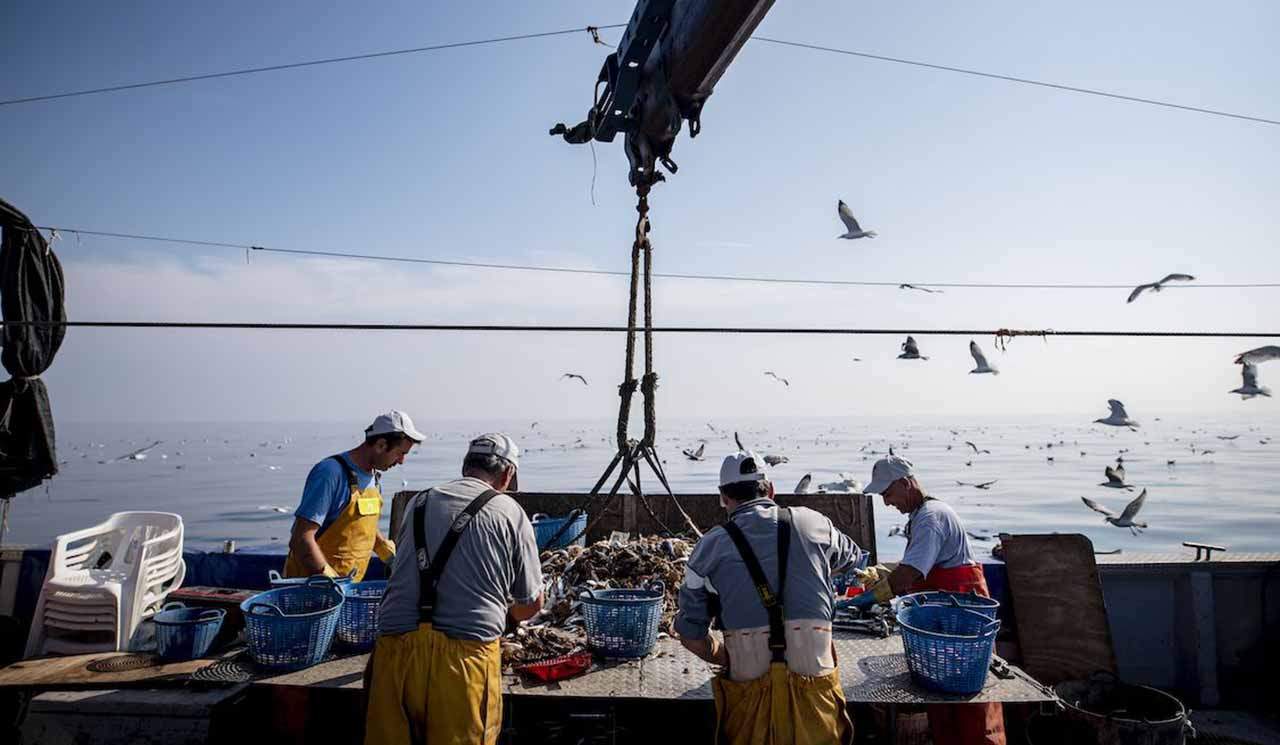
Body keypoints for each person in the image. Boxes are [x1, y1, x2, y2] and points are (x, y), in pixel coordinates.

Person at [674, 450, 865, 745]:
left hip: (750, 702)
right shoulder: (816, 523)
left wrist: (725, 656)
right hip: (817, 697)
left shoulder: (707, 550)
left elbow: (690, 636)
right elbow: (854, 560)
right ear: (771, 489)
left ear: (723, 497)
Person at [365, 433, 543, 745]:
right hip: (463, 663)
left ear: (465, 467)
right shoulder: (510, 511)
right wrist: (509, 618)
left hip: (393, 654)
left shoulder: (416, 503)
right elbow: (532, 603)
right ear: (507, 474)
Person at [859, 454, 1006, 745]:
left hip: (963, 614)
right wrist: (881, 571)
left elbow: (909, 575)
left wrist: (865, 599)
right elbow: (919, 564)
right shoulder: (923, 515)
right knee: (942, 692)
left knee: (971, 697)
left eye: (887, 493)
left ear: (905, 483)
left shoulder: (930, 518)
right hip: (947, 614)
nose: (886, 502)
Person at [283, 411, 423, 582]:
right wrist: (331, 581)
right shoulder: (330, 473)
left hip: (348, 591)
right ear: (380, 445)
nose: (402, 461)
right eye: (400, 453)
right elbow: (301, 538)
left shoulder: (374, 478)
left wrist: (388, 555)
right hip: (309, 591)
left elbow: (360, 526)